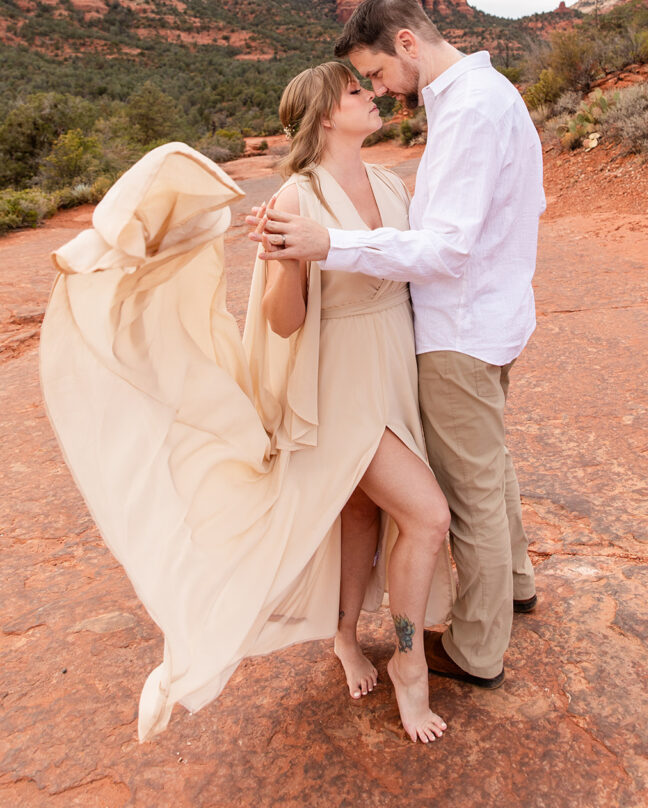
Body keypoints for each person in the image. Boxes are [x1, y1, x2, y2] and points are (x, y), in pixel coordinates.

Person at [40, 61, 454, 745]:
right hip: (337, 384)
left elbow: (413, 267)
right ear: (325, 114)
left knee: (357, 512)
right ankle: (409, 664)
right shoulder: (295, 199)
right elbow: (283, 322)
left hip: (392, 365)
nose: (373, 96)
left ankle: (346, 636)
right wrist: (291, 262)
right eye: (357, 91)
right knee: (426, 515)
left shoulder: (389, 181)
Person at [251, 0, 546, 688]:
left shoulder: (466, 111)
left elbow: (440, 248)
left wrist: (331, 243)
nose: (379, 90)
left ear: (407, 43)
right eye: (361, 87)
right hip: (474, 323)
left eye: (375, 74)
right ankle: (513, 587)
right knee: (484, 471)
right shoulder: (478, 96)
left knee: (464, 497)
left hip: (458, 329)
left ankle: (475, 647)